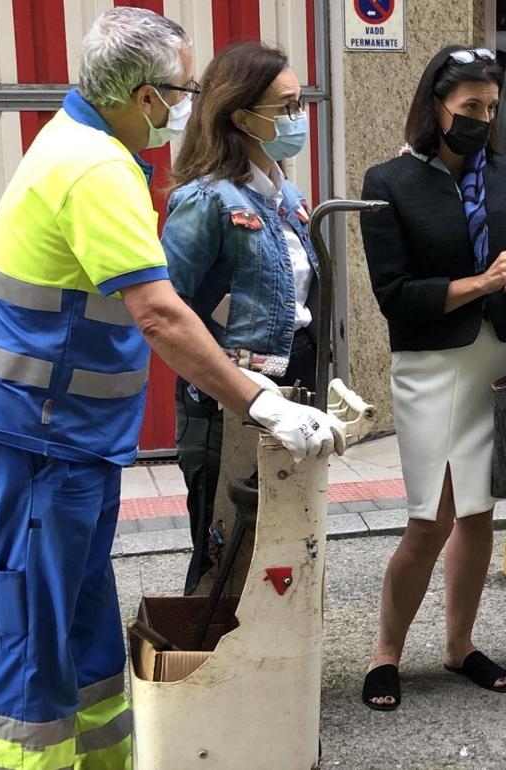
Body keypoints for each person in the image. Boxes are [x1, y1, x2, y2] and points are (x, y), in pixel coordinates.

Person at [0, 9, 341, 769]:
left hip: (68, 441)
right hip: (38, 439)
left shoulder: (88, 153)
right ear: (142, 95)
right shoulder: (94, 168)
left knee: (83, 624)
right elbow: (162, 313)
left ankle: (102, 757)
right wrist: (258, 401)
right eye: (182, 88)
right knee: (34, 631)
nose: (188, 102)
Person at [357, 44, 506, 711]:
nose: (482, 120)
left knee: (478, 513)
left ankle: (459, 644)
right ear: (434, 106)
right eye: (470, 108)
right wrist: (481, 281)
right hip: (430, 367)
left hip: (494, 352)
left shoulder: (503, 177)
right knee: (430, 519)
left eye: (490, 108)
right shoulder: (388, 183)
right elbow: (395, 296)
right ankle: (386, 653)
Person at [163, 42, 322, 596]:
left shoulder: (287, 195)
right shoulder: (204, 200)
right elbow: (168, 307)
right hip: (226, 399)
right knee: (223, 550)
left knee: (281, 544)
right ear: (241, 115)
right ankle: (204, 671)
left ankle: (268, 672)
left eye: (300, 103)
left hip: (292, 388)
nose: (298, 118)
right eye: (287, 106)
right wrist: (234, 381)